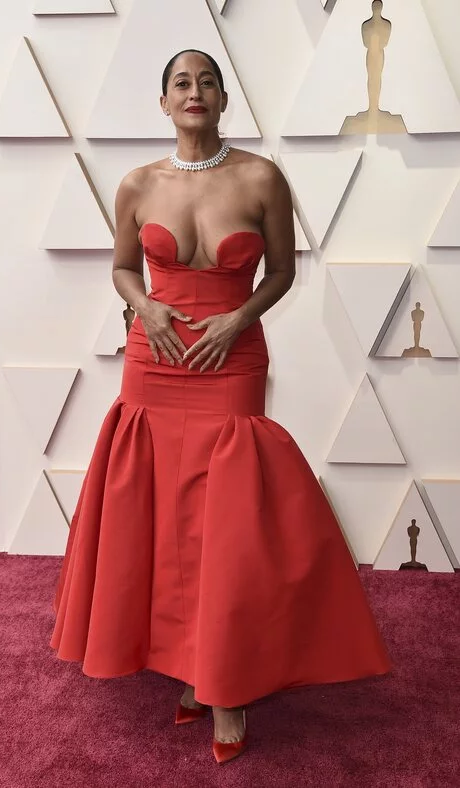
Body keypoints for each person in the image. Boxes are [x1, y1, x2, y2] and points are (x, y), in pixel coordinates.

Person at [50, 49, 392, 765]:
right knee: (161, 517)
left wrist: (238, 319)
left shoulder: (261, 177)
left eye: (207, 81)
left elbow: (283, 271)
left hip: (230, 357)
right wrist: (148, 308)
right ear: (164, 101)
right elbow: (123, 268)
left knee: (228, 525)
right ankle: (188, 665)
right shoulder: (138, 184)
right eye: (181, 82)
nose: (194, 91)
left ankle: (225, 683)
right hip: (155, 359)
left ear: (224, 98)